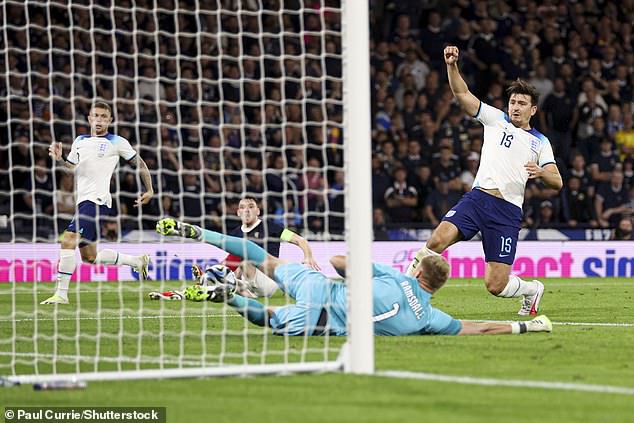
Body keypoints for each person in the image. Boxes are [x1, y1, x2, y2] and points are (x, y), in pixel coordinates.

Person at [155, 218, 553, 337]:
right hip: (325, 321)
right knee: (270, 319)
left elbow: (340, 261)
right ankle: (227, 297)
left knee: (265, 260)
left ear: (417, 269)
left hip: (322, 288)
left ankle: (201, 234)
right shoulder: (429, 319)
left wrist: (352, 268)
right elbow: (477, 328)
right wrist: (525, 327)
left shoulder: (394, 274)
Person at [407, 46, 563, 316]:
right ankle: (404, 291)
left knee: (495, 285)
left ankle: (531, 289)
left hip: (507, 212)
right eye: (513, 102)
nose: (515, 107)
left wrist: (542, 172)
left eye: (521, 103)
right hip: (477, 199)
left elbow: (557, 181)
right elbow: (461, 93)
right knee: (436, 240)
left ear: (533, 109)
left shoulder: (540, 142)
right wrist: (452, 66)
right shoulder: (495, 120)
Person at [41, 101, 154, 305]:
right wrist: (60, 159)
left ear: (110, 120)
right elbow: (72, 168)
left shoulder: (117, 142)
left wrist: (150, 189)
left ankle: (61, 294)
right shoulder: (80, 141)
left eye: (104, 116)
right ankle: (137, 261)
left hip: (97, 200)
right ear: (89, 119)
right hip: (83, 200)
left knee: (67, 241)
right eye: (96, 116)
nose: (99, 120)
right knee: (89, 257)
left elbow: (141, 164)